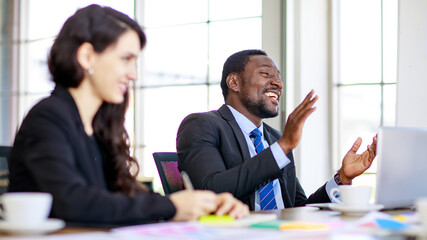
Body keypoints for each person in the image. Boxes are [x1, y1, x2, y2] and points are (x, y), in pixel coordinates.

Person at [8, 5, 248, 225]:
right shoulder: (47, 118)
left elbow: (123, 194)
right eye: (125, 59)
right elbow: (72, 202)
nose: (133, 74)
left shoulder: (99, 123)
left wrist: (203, 205)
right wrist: (171, 206)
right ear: (87, 57)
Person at [176, 49, 377, 211]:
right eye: (265, 74)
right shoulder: (202, 124)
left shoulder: (275, 139)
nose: (278, 84)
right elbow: (210, 191)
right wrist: (281, 148)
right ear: (234, 82)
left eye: (279, 78)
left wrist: (341, 178)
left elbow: (298, 208)